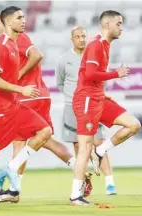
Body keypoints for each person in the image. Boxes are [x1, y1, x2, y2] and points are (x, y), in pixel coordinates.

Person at [0, 16, 93, 204]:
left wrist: (17, 77)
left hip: (30, 95)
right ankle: (79, 169)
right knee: (46, 140)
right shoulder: (10, 43)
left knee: (19, 142)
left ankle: (14, 189)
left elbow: (37, 55)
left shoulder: (18, 39)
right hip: (40, 94)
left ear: (7, 24)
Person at [0, 6, 52, 211]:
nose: (23, 20)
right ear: (6, 23)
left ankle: (11, 168)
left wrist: (16, 90)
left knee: (45, 131)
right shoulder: (1, 45)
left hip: (12, 105)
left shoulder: (14, 45)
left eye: (23, 16)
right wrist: (20, 89)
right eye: (18, 18)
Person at [69, 10, 141, 205]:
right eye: (118, 23)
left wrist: (103, 89)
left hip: (99, 98)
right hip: (86, 101)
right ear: (107, 24)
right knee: (84, 148)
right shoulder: (96, 45)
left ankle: (101, 151)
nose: (121, 28)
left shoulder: (104, 45)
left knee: (133, 125)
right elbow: (91, 74)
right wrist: (115, 74)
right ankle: (75, 194)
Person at [55, 26, 117, 195]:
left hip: (93, 103)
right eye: (77, 36)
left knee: (97, 141)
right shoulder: (63, 60)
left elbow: (101, 77)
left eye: (84, 36)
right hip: (72, 104)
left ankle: (109, 182)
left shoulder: (95, 53)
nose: (81, 39)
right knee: (79, 146)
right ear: (72, 40)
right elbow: (60, 82)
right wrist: (72, 96)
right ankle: (82, 184)